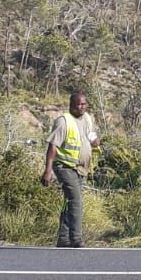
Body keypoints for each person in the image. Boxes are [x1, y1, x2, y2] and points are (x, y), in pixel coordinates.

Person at [40, 91, 100, 248]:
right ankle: (76, 238)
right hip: (65, 166)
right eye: (78, 104)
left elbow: (90, 134)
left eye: (83, 104)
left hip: (81, 168)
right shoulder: (63, 121)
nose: (81, 107)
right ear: (71, 105)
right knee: (76, 200)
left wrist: (94, 141)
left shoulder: (87, 118)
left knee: (69, 201)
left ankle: (64, 238)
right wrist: (48, 171)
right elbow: (53, 147)